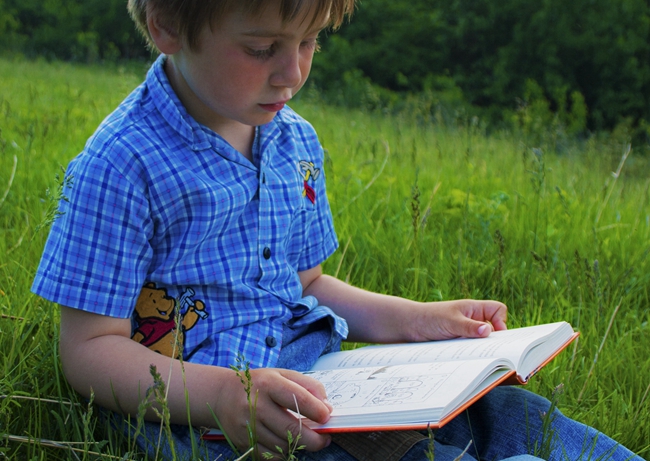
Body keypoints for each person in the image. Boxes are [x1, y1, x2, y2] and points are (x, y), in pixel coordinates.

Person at [31, 1, 643, 460]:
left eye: (310, 42)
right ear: (166, 24)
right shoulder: (121, 164)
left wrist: (418, 319)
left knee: (509, 416)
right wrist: (223, 395)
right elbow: (87, 351)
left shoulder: (293, 140)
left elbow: (308, 284)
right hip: (221, 420)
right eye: (262, 47)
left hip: (324, 380)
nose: (291, 74)